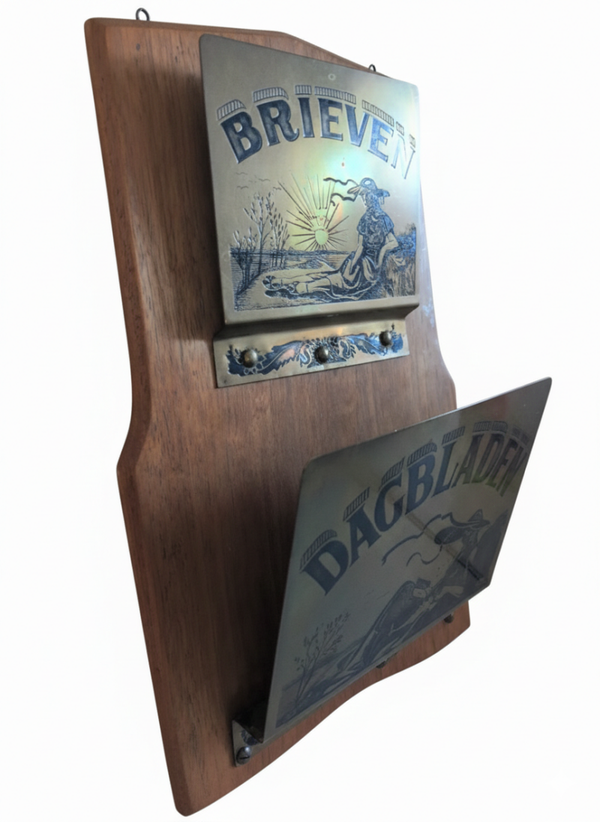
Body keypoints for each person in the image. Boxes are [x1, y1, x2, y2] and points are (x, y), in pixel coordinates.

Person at [264, 178, 400, 300]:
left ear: (372, 197)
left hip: (362, 266)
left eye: (364, 195)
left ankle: (292, 285)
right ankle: (286, 282)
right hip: (366, 265)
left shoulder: (369, 219)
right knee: (332, 276)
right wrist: (380, 255)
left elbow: (362, 247)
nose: (363, 199)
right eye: (362, 196)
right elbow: (391, 242)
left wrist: (355, 263)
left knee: (336, 280)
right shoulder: (381, 218)